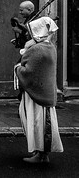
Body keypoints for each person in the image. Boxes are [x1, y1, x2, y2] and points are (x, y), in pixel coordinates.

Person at [15, 16, 63, 164]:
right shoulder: (49, 47)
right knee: (44, 123)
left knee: (37, 123)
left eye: (31, 31)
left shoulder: (37, 49)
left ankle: (40, 154)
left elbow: (27, 70)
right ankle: (42, 153)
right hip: (44, 92)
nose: (28, 34)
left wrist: (17, 68)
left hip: (36, 94)